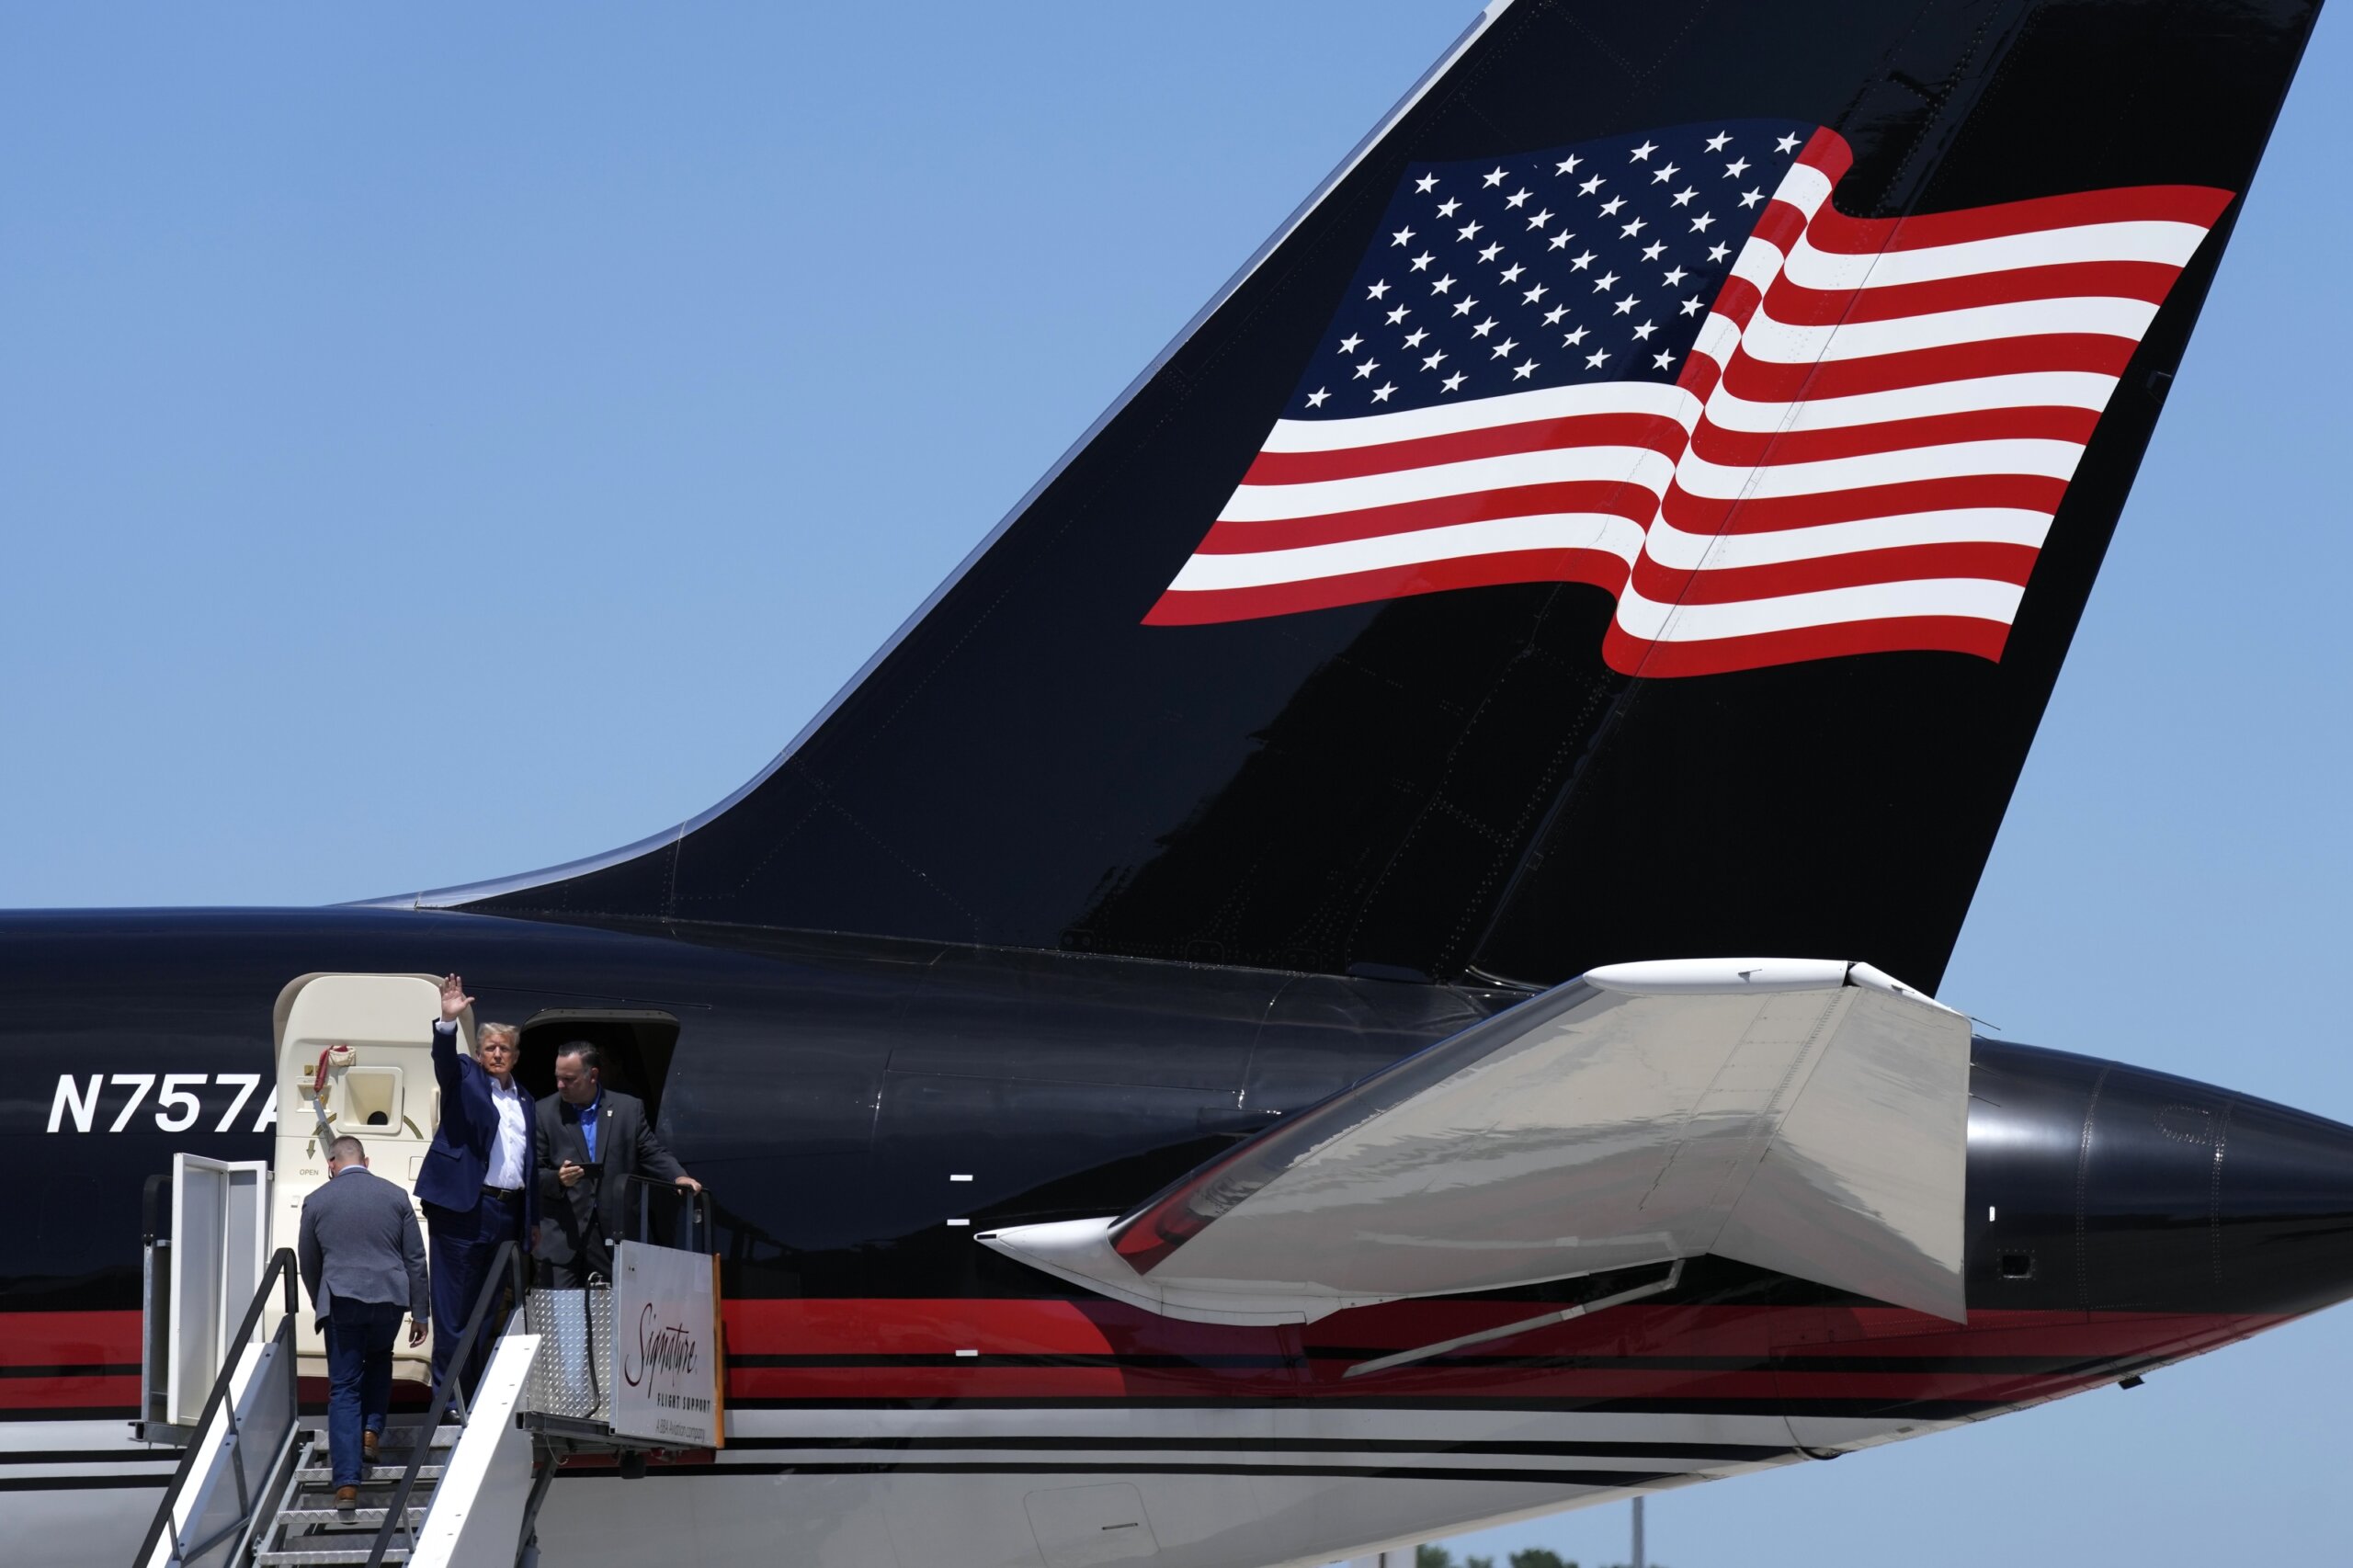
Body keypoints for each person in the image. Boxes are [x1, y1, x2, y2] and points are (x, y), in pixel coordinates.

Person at [415, 974, 533, 1400]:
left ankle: (475, 1392)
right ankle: (447, 1401)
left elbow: (528, 1164)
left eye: (504, 1048)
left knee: (486, 1311)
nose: (497, 1054)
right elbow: (444, 1062)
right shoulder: (465, 1075)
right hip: (464, 1209)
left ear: (515, 1056)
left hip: (506, 1213)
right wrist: (447, 1021)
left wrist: (529, 1219)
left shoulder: (525, 1101)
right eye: (490, 1048)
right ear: (479, 1053)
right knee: (453, 1311)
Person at [297, 1135, 430, 1509]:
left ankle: (346, 1485)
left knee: (343, 1388)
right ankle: (371, 1431)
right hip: (389, 1299)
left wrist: (319, 1299)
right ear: (366, 1162)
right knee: (380, 1359)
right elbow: (415, 1259)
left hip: (342, 1300)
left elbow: (309, 1261)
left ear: (331, 1164)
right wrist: (420, 1312)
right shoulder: (395, 1196)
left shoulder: (317, 1200)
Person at [535, 1040, 701, 1287]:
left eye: (569, 1079)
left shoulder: (628, 1109)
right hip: (563, 1237)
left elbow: (650, 1151)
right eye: (558, 1078)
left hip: (613, 1234)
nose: (561, 1085)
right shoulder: (543, 1111)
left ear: (592, 1075)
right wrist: (558, 1179)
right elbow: (533, 1172)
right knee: (561, 1321)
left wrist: (678, 1176)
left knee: (616, 1316)